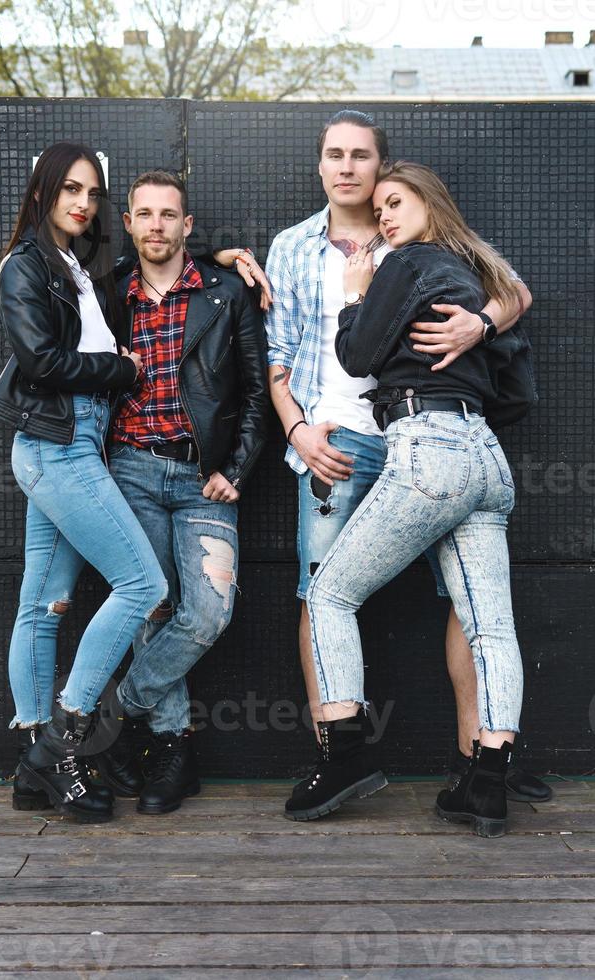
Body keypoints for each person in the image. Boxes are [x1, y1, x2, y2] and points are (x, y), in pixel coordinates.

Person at [264, 110, 549, 804]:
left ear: (387, 170)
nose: (349, 168)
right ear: (320, 164)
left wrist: (479, 321)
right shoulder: (294, 246)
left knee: (348, 593)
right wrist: (296, 429)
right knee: (485, 617)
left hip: (419, 444)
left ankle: (463, 758)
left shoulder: (413, 252)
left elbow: (515, 292)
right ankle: (483, 769)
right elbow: (276, 352)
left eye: (364, 158)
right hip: (354, 442)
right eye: (334, 153)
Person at [0, 141, 166, 823]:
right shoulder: (24, 266)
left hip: (74, 438)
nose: (83, 204)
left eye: (92, 193)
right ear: (42, 192)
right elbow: (42, 361)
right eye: (71, 191)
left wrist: (224, 258)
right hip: (58, 444)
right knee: (145, 584)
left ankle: (36, 765)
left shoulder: (80, 267)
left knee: (45, 604)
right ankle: (62, 743)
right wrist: (121, 372)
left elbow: (157, 256)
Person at [91, 170, 269, 815]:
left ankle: (112, 718)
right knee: (150, 610)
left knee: (209, 611)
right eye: (145, 214)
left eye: (170, 215)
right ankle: (173, 752)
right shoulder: (110, 292)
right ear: (131, 223)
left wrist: (240, 467)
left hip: (204, 479)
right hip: (130, 470)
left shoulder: (225, 292)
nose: (157, 226)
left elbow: (255, 391)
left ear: (187, 225)